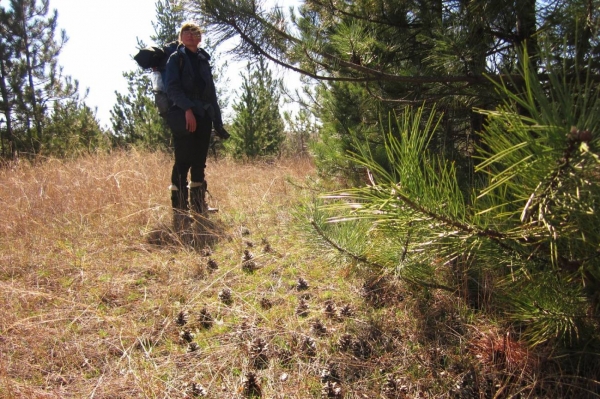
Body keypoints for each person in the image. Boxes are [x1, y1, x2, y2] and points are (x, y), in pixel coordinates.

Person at [165, 22, 229, 230]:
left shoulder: (203, 60)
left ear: (200, 37)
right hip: (185, 115)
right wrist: (187, 109)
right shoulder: (176, 59)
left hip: (204, 116)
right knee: (183, 162)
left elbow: (211, 93)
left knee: (199, 162)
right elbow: (172, 88)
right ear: (181, 37)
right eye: (186, 33)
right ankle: (180, 211)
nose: (191, 36)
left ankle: (199, 207)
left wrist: (217, 122)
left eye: (195, 33)